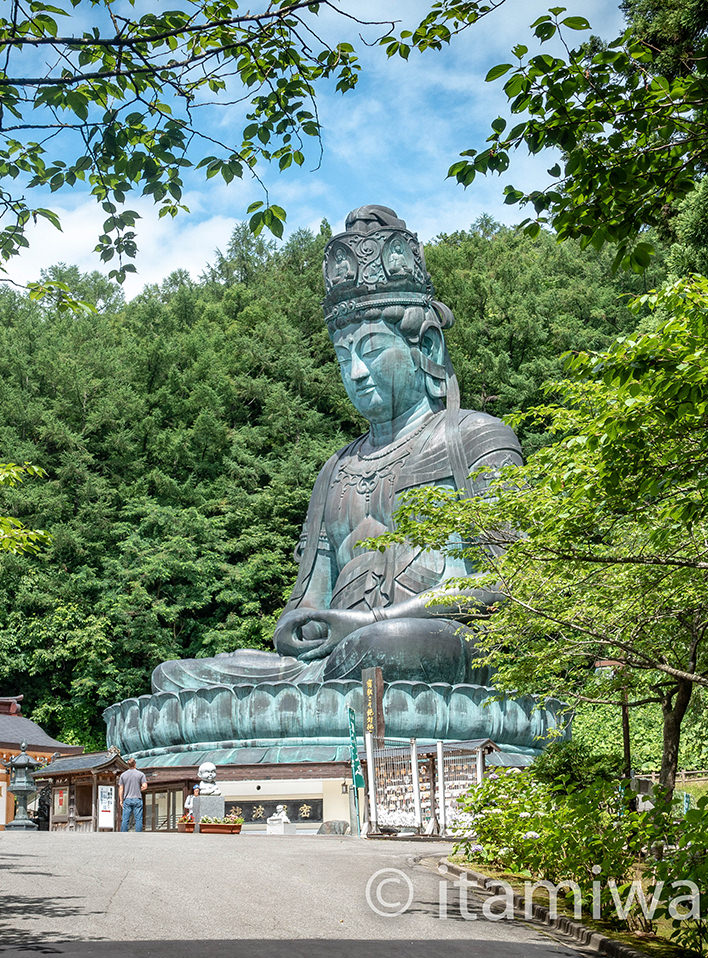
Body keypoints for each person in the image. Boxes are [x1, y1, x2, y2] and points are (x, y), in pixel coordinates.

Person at [151, 205, 523, 693]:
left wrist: (380, 619)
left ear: (426, 347)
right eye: (343, 357)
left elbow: (512, 587)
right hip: (335, 656)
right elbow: (309, 597)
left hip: (435, 642)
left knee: (389, 643)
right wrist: (301, 627)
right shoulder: (335, 470)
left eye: (370, 351)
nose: (355, 373)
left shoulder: (474, 437)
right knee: (175, 678)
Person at [118, 759, 147, 832]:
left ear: (128, 765)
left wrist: (121, 800)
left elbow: (121, 789)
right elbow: (145, 786)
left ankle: (123, 834)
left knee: (125, 819)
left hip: (127, 799)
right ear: (135, 764)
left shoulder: (123, 775)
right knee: (138, 819)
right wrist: (139, 789)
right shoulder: (141, 774)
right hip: (137, 798)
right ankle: (138, 834)